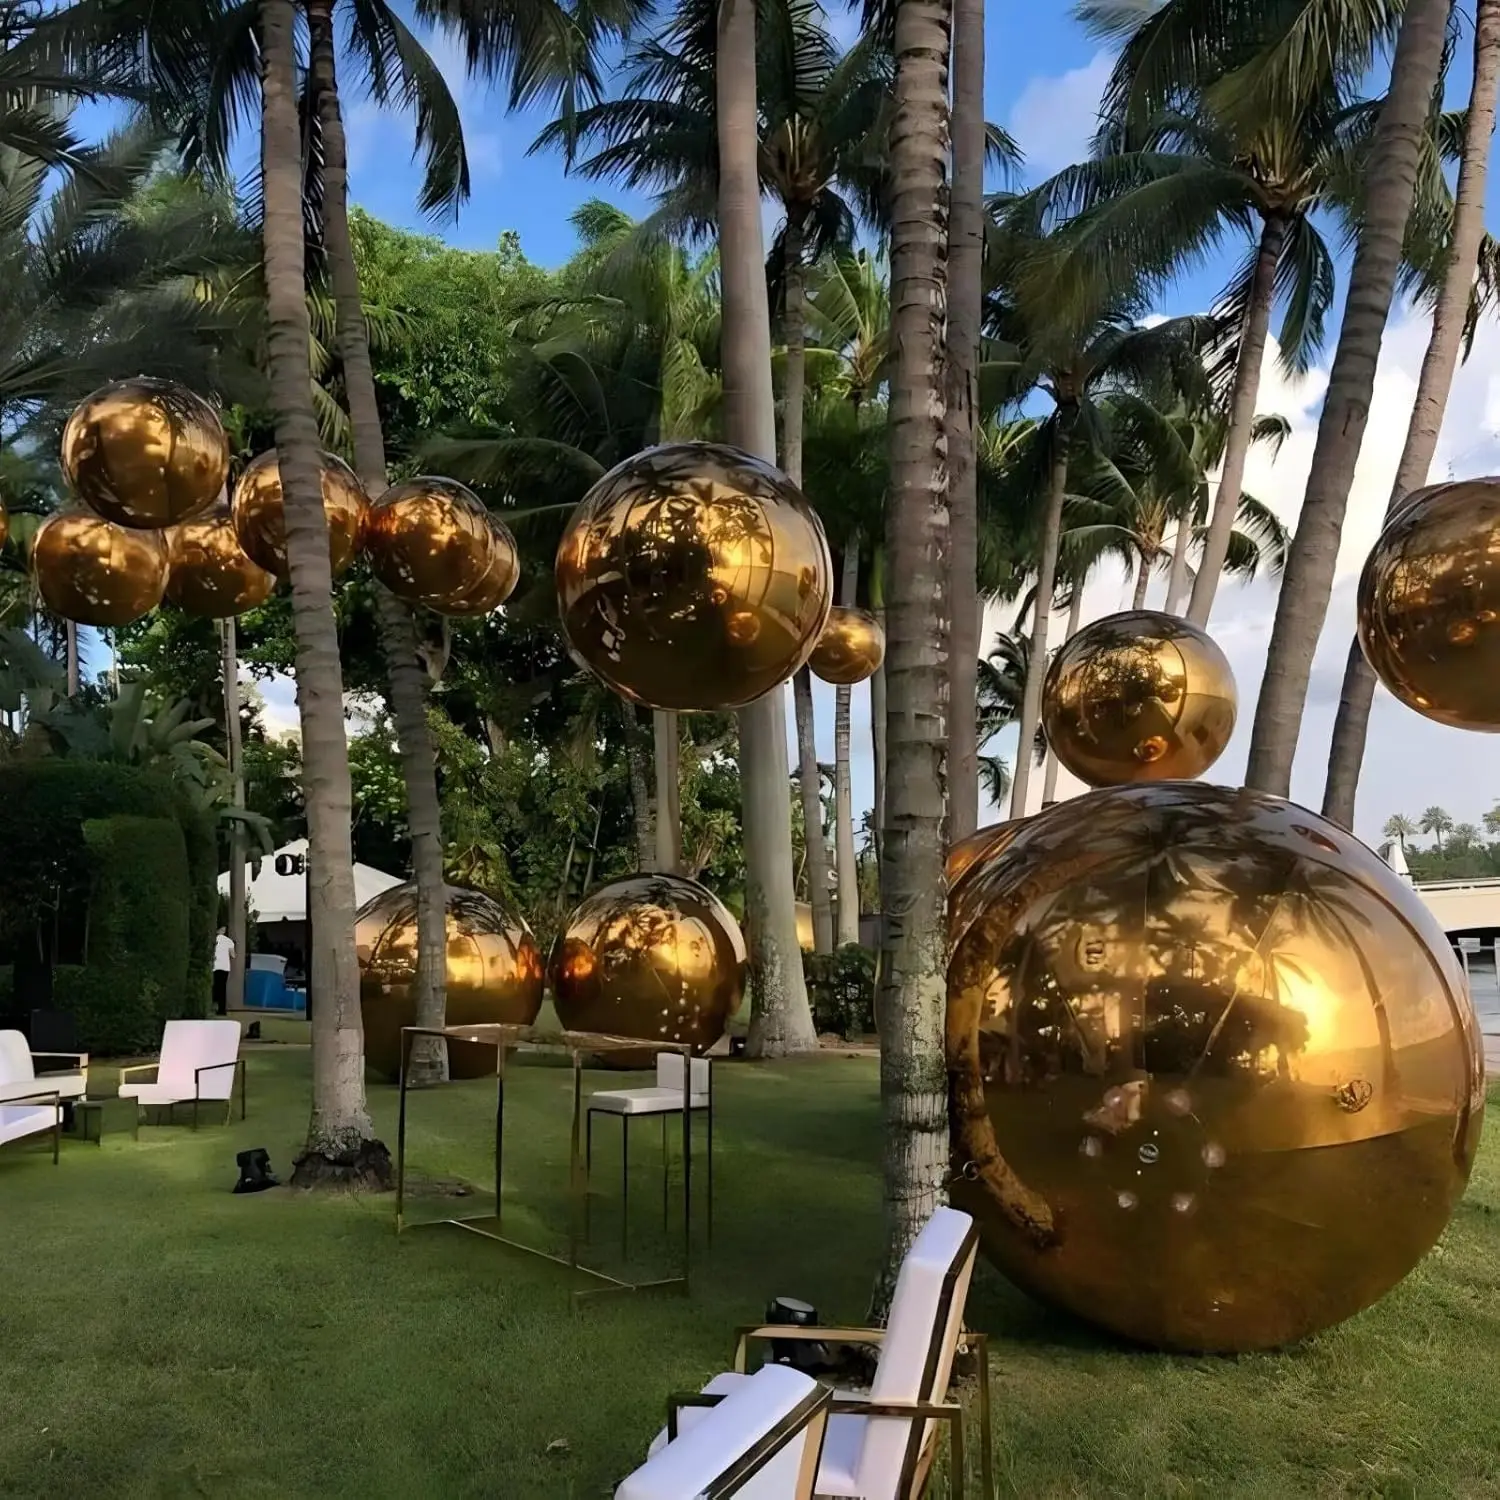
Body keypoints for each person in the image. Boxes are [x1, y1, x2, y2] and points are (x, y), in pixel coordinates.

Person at [213, 927, 235, 1016]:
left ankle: (214, 1005)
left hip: (215, 966)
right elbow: (233, 955)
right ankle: (222, 1010)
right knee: (222, 988)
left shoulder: (214, 940)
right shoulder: (229, 941)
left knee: (215, 987)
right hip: (225, 967)